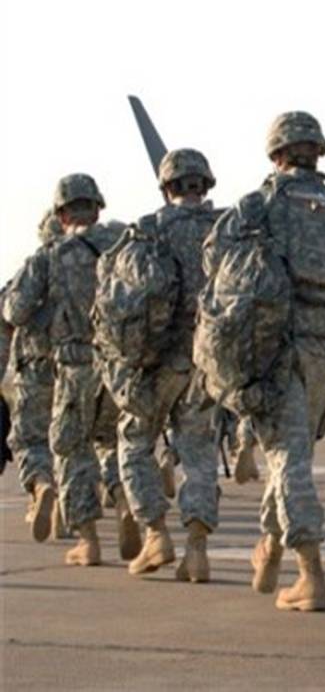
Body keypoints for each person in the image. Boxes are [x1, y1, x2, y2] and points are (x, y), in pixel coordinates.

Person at [202, 111, 325, 612]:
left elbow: (213, 261)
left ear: (277, 155)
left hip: (275, 346)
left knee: (287, 458)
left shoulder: (258, 206)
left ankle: (311, 573)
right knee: (293, 451)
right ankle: (268, 546)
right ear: (317, 153)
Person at [98, 149, 222, 581]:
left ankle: (155, 533)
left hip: (155, 360)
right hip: (206, 360)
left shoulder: (147, 231)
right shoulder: (227, 231)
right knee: (199, 452)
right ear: (205, 184)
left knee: (134, 441)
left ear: (167, 187)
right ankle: (197, 550)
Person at [3, 175, 136, 566]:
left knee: (70, 448)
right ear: (97, 207)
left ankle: (88, 540)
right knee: (115, 443)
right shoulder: (124, 246)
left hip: (74, 366)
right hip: (120, 366)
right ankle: (125, 500)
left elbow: (15, 311)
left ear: (61, 214)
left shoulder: (49, 256)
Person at [2, 210, 62, 542]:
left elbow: (12, 312)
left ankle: (41, 485)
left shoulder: (35, 266)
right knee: (76, 442)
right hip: (82, 364)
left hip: (37, 365)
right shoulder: (98, 260)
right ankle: (69, 506)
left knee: (31, 438)